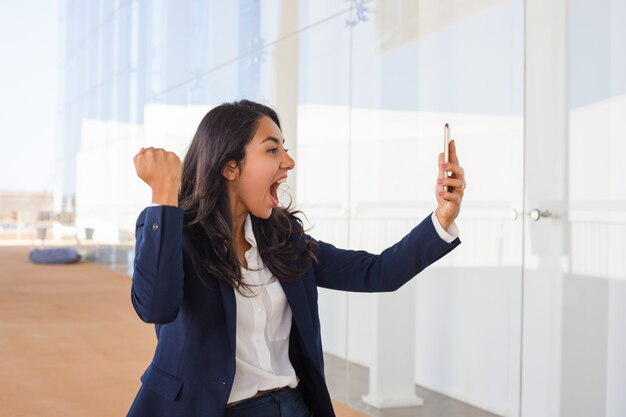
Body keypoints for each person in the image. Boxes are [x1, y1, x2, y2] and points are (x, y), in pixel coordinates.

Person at [127, 100, 465, 417]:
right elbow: (156, 307)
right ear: (230, 167)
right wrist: (163, 196)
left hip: (292, 406)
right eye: (273, 149)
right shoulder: (175, 232)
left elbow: (378, 273)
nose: (288, 162)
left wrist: (444, 217)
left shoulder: (283, 238)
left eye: (284, 149)